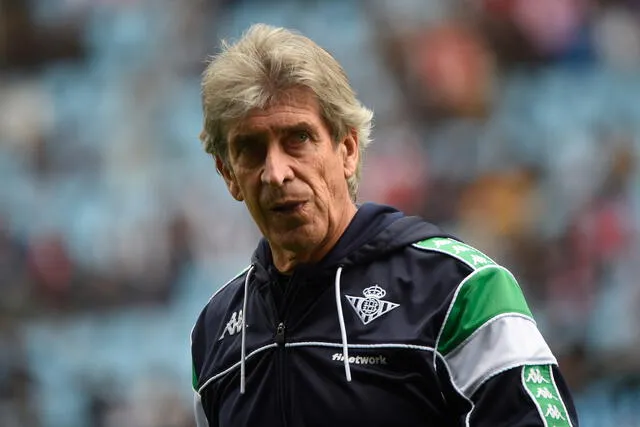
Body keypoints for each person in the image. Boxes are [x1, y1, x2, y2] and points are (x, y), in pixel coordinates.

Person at [190, 23, 580, 427]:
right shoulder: (214, 330)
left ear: (347, 149)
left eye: (298, 139)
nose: (276, 172)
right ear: (228, 173)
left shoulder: (459, 289)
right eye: (250, 149)